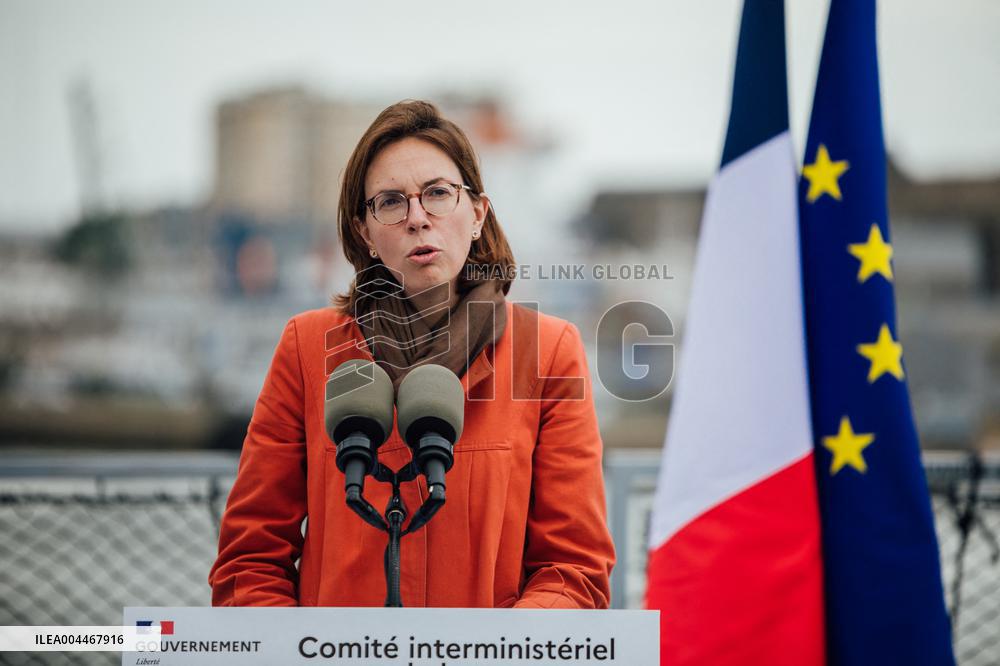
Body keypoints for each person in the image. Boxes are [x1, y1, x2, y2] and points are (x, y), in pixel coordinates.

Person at [209, 100, 615, 608]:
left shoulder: (548, 352)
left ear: (477, 214)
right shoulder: (307, 348)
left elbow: (574, 569)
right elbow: (249, 561)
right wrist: (306, 647)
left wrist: (492, 648)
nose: (418, 218)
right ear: (365, 232)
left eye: (438, 194)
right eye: (391, 202)